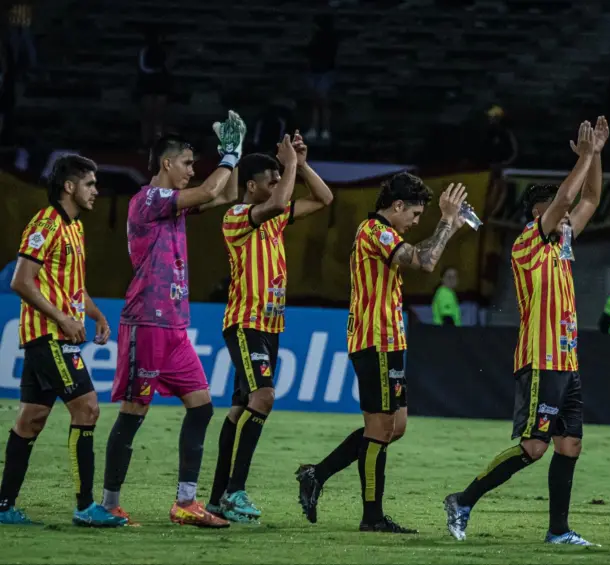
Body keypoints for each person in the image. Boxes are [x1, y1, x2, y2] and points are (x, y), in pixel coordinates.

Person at [443, 118, 609, 545]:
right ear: (541, 213)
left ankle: (558, 531)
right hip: (541, 359)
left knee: (569, 445)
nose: (569, 215)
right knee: (535, 447)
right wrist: (584, 156)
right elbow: (572, 195)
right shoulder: (527, 243)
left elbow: (591, 196)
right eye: (560, 211)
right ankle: (462, 500)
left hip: (567, 362)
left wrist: (598, 154)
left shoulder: (562, 243)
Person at [296, 173, 471, 533]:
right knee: (379, 428)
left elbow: (425, 254)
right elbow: (425, 261)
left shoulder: (387, 235)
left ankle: (317, 473)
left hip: (390, 342)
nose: (415, 222)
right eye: (415, 214)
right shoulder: (373, 231)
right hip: (372, 340)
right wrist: (445, 220)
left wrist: (451, 223)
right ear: (397, 206)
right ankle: (372, 517)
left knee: (396, 426)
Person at [100, 112, 246, 528]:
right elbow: (208, 190)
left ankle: (186, 503)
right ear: (167, 163)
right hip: (146, 321)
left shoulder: (175, 207)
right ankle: (108, 505)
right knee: (133, 412)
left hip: (175, 327)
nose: (192, 171)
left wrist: (230, 157)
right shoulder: (147, 199)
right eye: (187, 163)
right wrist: (229, 156)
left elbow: (223, 194)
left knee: (200, 408)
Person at [206, 132, 333, 522]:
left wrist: (302, 162)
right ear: (251, 186)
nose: (278, 185)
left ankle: (216, 498)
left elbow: (325, 199)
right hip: (246, 323)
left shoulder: (274, 221)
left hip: (270, 325)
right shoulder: (236, 217)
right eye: (271, 179)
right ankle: (236, 491)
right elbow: (280, 202)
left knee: (240, 408)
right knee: (264, 398)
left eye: (280, 178)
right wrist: (289, 163)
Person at [0, 155, 126, 527]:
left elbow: (71, 286)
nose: (96, 191)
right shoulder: (46, 222)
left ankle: (4, 505)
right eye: (90, 184)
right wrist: (62, 318)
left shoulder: (75, 228)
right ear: (69, 187)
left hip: (57, 333)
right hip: (47, 335)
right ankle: (86, 507)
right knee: (87, 409)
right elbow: (21, 281)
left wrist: (97, 314)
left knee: (31, 420)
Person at [304, 14, 340, 143]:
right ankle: (314, 129)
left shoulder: (331, 38)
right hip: (314, 71)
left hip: (326, 72)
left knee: (323, 102)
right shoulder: (314, 37)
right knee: (315, 102)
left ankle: (325, 130)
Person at [137, 27, 170, 149]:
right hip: (148, 85)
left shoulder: (165, 51)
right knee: (148, 117)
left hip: (160, 85)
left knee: (158, 117)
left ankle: (157, 143)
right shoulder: (144, 51)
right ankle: (146, 143)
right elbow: (143, 67)